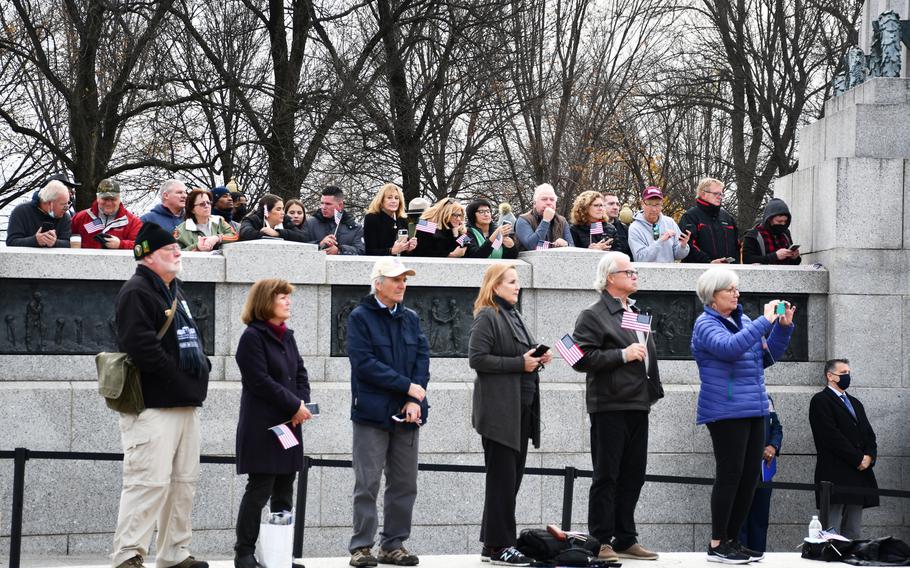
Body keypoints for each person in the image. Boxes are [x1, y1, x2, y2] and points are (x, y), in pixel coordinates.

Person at [111, 222, 210, 568]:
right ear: (148, 256)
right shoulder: (137, 291)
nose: (177, 252)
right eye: (169, 249)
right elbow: (142, 348)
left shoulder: (174, 290)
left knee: (183, 484)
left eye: (177, 247)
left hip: (184, 403)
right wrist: (179, 379)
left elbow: (190, 338)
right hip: (153, 405)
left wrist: (202, 369)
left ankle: (173, 552)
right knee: (147, 483)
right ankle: (128, 554)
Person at [691, 267, 794, 563]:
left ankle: (733, 540)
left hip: (755, 408)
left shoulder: (744, 320)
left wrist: (783, 328)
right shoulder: (706, 324)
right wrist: (765, 321)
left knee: (750, 478)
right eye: (729, 290)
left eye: (737, 288)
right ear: (713, 296)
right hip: (725, 410)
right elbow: (729, 349)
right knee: (730, 475)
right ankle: (717, 542)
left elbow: (764, 358)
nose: (737, 294)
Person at [568, 252, 663, 563]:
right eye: (629, 272)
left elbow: (645, 354)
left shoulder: (633, 311)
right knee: (607, 475)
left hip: (638, 402)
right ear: (611, 277)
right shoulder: (592, 314)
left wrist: (652, 388)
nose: (635, 275)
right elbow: (578, 359)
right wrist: (621, 355)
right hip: (609, 404)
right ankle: (600, 540)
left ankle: (625, 537)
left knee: (634, 474)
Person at [346, 257, 430, 567]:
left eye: (404, 279)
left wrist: (414, 399)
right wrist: (406, 387)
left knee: (405, 483)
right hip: (371, 414)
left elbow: (422, 360)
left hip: (407, 414)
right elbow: (364, 365)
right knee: (367, 483)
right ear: (378, 283)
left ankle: (393, 545)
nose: (402, 284)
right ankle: (362, 547)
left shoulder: (410, 318)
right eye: (396, 279)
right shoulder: (359, 317)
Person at [469, 264, 549, 566]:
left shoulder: (513, 315)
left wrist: (536, 358)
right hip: (499, 412)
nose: (518, 286)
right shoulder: (488, 316)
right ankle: (501, 545)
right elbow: (477, 359)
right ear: (495, 285)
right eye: (512, 281)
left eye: (518, 281)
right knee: (502, 481)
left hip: (520, 410)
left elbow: (520, 357)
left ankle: (491, 544)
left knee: (509, 481)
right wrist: (519, 363)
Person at [233, 278, 313, 568]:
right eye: (282, 297)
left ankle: (279, 554)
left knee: (284, 489)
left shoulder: (287, 336)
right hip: (263, 427)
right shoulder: (252, 337)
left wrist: (301, 404)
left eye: (288, 297)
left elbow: (300, 374)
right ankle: (244, 552)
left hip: (289, 426)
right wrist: (294, 405)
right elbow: (260, 381)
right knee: (260, 488)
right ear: (266, 301)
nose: (288, 301)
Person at [809, 359, 878, 540]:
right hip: (835, 473)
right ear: (830, 376)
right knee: (830, 532)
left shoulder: (855, 402)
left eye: (848, 372)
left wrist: (870, 456)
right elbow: (831, 436)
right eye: (843, 373)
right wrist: (858, 459)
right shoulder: (821, 401)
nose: (848, 376)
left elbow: (869, 434)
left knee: (853, 530)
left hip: (858, 475)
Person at [738, 396, 783, 553]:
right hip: (741, 469)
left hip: (764, 471)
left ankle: (758, 555)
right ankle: (740, 553)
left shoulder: (766, 398)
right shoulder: (735, 396)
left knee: (760, 519)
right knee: (740, 519)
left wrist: (773, 445)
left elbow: (776, 427)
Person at [679, 178, 740, 264]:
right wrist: (709, 262)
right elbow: (688, 246)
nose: (719, 197)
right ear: (703, 194)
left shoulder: (727, 217)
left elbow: (736, 246)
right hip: (699, 271)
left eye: (721, 194)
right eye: (716, 193)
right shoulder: (690, 216)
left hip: (727, 270)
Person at [71, 178, 142, 250]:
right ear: (97, 197)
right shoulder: (80, 218)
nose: (108, 203)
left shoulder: (133, 222)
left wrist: (121, 244)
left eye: (113, 199)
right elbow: (67, 240)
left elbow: (145, 247)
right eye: (105, 199)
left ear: (119, 199)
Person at [627, 186, 691, 262]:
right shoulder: (635, 228)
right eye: (650, 204)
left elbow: (678, 256)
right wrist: (660, 241)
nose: (654, 209)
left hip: (670, 272)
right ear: (642, 204)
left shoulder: (670, 222)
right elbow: (640, 258)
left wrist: (683, 246)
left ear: (662, 204)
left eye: (657, 204)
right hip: (645, 273)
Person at [5, 178, 73, 248]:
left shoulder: (65, 217)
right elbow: (11, 242)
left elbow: (69, 243)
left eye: (68, 204)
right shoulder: (21, 212)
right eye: (63, 204)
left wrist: (55, 242)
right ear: (49, 203)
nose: (67, 208)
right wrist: (35, 240)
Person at [302, 186, 365, 255]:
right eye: (322, 203)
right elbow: (298, 247)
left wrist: (339, 250)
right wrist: (319, 244)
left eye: (328, 204)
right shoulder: (309, 223)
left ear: (340, 205)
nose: (323, 207)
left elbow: (361, 251)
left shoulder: (355, 229)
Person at [173, 189, 239, 251]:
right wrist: (197, 247)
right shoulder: (181, 230)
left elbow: (235, 236)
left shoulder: (219, 220)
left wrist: (217, 238)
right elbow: (174, 253)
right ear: (192, 209)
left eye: (208, 203)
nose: (207, 206)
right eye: (202, 204)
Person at [741, 198, 801, 265]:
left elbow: (794, 263)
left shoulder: (785, 234)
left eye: (785, 221)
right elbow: (747, 260)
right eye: (779, 221)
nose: (783, 224)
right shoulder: (752, 235)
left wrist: (795, 257)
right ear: (769, 219)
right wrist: (775, 256)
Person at [362, 183, 417, 256]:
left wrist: (409, 249)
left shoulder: (403, 219)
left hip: (401, 264)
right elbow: (369, 251)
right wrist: (391, 251)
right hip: (382, 264)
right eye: (389, 197)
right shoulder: (371, 218)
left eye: (396, 198)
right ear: (381, 201)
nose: (394, 201)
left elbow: (403, 252)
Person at [515, 183, 574, 250]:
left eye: (552, 199)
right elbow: (532, 246)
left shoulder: (562, 221)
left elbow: (573, 248)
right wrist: (546, 221)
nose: (549, 202)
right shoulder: (524, 219)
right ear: (534, 203)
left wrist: (566, 244)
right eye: (544, 199)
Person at [238, 194, 307, 243]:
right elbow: (246, 234)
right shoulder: (252, 220)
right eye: (278, 209)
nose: (283, 212)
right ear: (267, 212)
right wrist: (267, 234)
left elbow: (302, 237)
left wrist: (278, 233)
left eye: (282, 209)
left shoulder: (286, 220)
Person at [604, 193, 632, 257]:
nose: (615, 207)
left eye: (617, 204)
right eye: (611, 204)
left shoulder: (625, 229)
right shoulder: (594, 227)